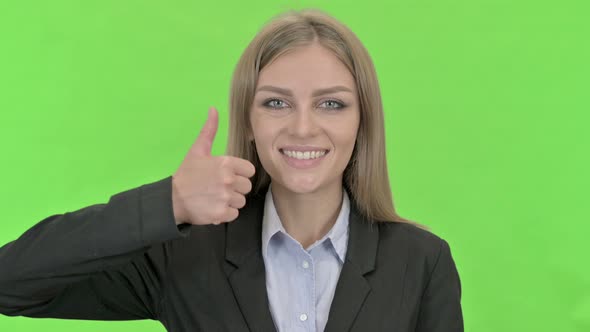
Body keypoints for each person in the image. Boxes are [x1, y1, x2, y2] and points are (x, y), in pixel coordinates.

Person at [0, 8, 463, 332]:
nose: (303, 127)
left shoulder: (421, 262)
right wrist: (170, 201)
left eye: (331, 104)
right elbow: (10, 284)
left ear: (363, 121)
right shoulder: (183, 258)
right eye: (277, 102)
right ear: (249, 119)